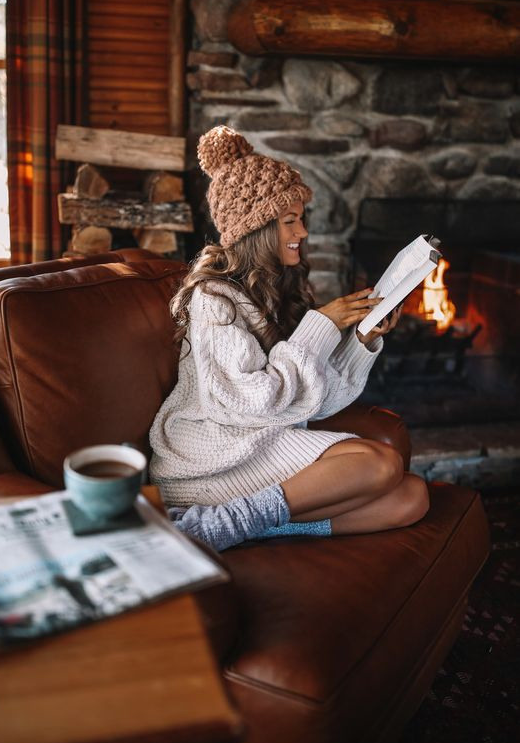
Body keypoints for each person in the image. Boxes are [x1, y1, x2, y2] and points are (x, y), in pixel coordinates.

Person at [149, 126, 429, 550]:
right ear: (257, 228)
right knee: (382, 464)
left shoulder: (280, 289)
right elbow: (251, 401)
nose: (302, 232)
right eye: (289, 221)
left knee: (412, 499)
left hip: (262, 440)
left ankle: (229, 525)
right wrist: (320, 326)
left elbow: (313, 400)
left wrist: (360, 340)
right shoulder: (212, 299)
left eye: (302, 219)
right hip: (211, 455)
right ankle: (224, 524)